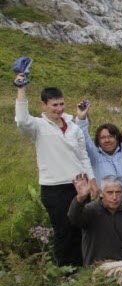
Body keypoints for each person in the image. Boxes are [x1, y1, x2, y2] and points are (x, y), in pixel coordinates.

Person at [15, 78, 96, 267]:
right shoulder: (38, 126)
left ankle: (86, 265)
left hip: (79, 186)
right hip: (54, 188)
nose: (59, 109)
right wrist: (21, 89)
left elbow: (83, 155)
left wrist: (92, 179)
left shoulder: (73, 127)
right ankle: (67, 271)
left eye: (61, 104)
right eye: (54, 105)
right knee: (64, 230)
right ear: (44, 105)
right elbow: (22, 121)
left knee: (83, 227)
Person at [75, 94, 122, 219]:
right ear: (98, 141)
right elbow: (83, 137)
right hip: (110, 200)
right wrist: (81, 118)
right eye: (103, 138)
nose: (107, 140)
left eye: (110, 136)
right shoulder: (94, 155)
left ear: (117, 138)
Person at [67, 174, 122, 267]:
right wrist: (80, 198)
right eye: (110, 192)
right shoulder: (91, 209)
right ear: (101, 193)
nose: (114, 197)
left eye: (118, 192)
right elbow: (74, 218)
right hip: (98, 266)